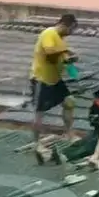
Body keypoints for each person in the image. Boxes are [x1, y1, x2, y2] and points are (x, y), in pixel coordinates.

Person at [29, 14, 79, 160]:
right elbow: (50, 52)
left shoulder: (61, 40)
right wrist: (66, 51)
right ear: (65, 25)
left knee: (69, 101)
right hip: (41, 79)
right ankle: (36, 143)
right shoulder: (49, 33)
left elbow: (63, 60)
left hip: (55, 79)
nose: (71, 33)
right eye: (71, 30)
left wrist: (72, 62)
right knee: (39, 112)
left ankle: (69, 133)